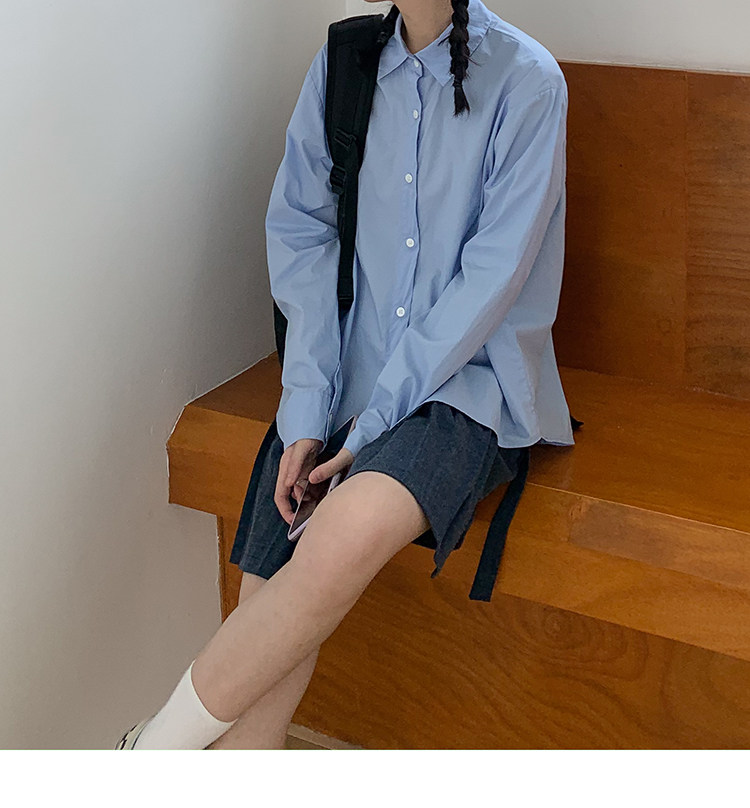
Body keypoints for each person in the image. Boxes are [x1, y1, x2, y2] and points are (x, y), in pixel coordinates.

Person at [115, 0, 575, 750]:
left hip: (464, 386)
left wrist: (371, 424)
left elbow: (488, 286)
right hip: (339, 378)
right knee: (268, 599)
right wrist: (305, 412)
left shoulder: (528, 81)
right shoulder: (343, 65)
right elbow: (303, 237)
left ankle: (148, 755)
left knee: (335, 538)